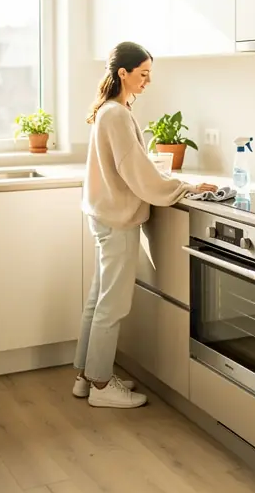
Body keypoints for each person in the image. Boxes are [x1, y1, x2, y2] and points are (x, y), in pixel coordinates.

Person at [74, 41, 217, 409]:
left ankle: (86, 377)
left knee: (98, 300)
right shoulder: (117, 115)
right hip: (117, 219)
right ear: (123, 73)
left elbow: (130, 165)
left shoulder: (107, 110)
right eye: (143, 74)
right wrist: (183, 187)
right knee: (113, 304)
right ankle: (102, 387)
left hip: (102, 215)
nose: (148, 81)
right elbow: (137, 173)